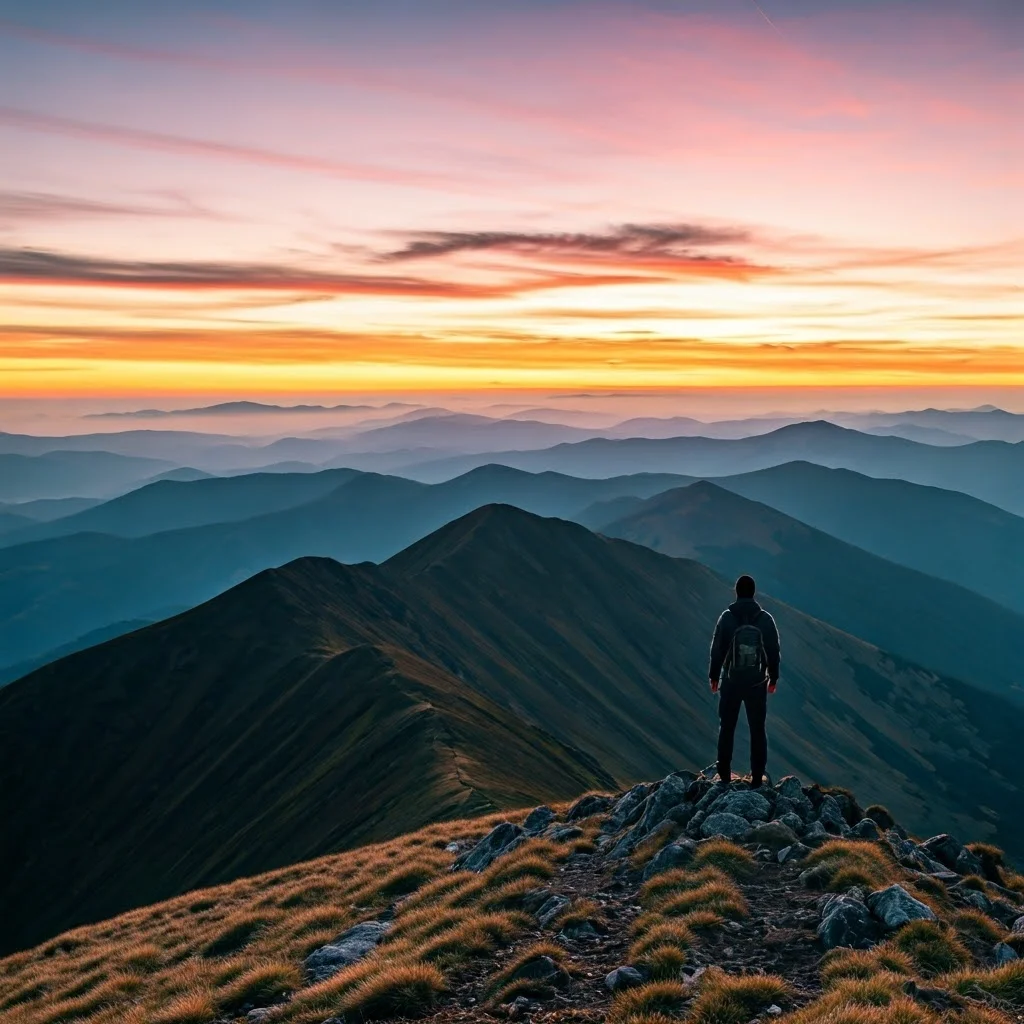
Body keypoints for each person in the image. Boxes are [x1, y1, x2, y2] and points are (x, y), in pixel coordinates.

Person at [708, 574, 780, 788]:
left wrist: (714, 676)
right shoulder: (765, 619)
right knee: (757, 728)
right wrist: (773, 678)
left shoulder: (727, 617)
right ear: (754, 593)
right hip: (757, 683)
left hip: (731, 681)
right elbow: (774, 651)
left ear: (736, 592)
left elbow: (717, 648)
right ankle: (757, 777)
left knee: (727, 727)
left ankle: (724, 775)